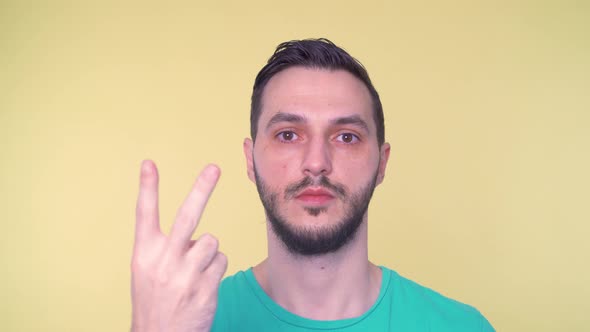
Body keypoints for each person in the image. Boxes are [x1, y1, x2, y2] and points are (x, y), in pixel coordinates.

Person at [131, 38, 495, 331]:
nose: (316, 162)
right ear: (250, 159)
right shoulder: (182, 320)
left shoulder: (461, 326)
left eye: (347, 137)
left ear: (382, 163)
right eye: (288, 135)